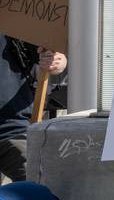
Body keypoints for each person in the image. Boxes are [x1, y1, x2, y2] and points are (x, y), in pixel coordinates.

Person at [0, 35, 67, 183]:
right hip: (14, 126)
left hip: (12, 128)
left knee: (40, 184)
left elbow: (49, 56)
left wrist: (57, 62)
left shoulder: (16, 18)